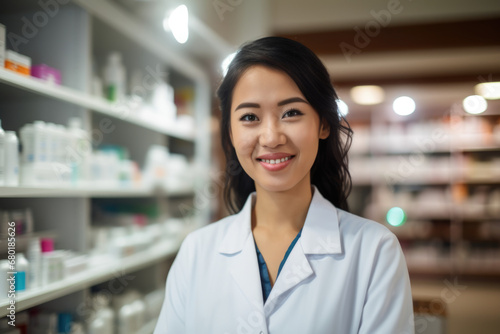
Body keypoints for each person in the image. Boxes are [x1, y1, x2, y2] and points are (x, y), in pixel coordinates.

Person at [154, 36, 414, 334]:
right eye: (250, 117)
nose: (271, 137)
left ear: (324, 124)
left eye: (291, 113)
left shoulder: (374, 251)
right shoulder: (197, 251)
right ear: (230, 131)